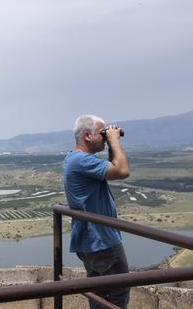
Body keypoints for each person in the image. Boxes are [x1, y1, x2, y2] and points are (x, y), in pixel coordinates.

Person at [63, 115, 131, 308]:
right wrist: (115, 141)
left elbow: (113, 172)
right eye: (101, 133)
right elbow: (123, 171)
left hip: (90, 240)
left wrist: (110, 145)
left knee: (98, 293)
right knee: (119, 290)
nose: (105, 136)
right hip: (102, 240)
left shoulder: (74, 159)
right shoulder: (82, 161)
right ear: (87, 136)